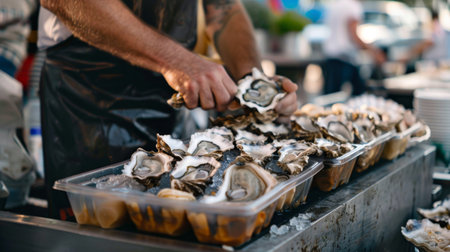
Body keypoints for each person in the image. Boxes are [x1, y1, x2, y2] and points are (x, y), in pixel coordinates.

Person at [38, 0, 298, 219]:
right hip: (88, 100)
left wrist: (256, 86)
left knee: (175, 219)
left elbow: (224, 9)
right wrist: (176, 61)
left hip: (172, 98)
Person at [322, 0, 385, 95]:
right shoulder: (353, 6)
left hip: (331, 55)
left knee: (331, 95)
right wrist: (374, 52)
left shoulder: (335, 5)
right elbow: (354, 35)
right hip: (345, 56)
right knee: (359, 92)